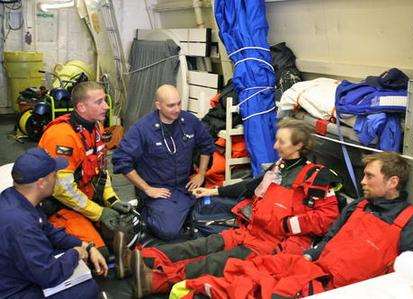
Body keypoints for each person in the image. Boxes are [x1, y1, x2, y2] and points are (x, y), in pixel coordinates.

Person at [115, 118, 342, 297]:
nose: (274, 146)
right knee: (200, 245)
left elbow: (327, 218)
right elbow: (249, 185)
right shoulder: (278, 167)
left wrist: (284, 224)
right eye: (276, 139)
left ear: (299, 146)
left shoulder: (316, 177)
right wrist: (212, 191)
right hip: (250, 231)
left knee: (213, 263)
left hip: (273, 245)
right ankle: (140, 259)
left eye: (281, 142)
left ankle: (153, 281)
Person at [172, 152, 413, 298]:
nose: (364, 182)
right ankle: (169, 279)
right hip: (309, 265)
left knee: (255, 287)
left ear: (393, 182)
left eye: (369, 177)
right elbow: (328, 240)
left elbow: (406, 282)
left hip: (337, 287)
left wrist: (290, 230)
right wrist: (308, 255)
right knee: (246, 271)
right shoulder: (356, 207)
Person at [0, 148, 108, 299]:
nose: (57, 178)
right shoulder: (20, 223)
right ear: (42, 183)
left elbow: (50, 232)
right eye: (54, 174)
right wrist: (76, 253)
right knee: (87, 290)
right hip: (13, 290)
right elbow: (48, 275)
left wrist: (87, 246)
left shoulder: (17, 198)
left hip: (19, 270)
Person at [112, 84, 216, 241]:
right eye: (171, 105)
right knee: (169, 232)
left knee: (214, 211)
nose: (177, 109)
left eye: (179, 103)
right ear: (158, 105)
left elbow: (206, 145)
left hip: (185, 186)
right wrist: (147, 189)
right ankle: (144, 213)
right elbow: (121, 160)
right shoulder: (142, 129)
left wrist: (201, 174)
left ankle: (183, 216)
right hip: (158, 190)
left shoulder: (189, 121)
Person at [38, 81, 130, 254]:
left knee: (125, 235)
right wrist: (99, 212)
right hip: (60, 206)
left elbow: (101, 171)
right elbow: (62, 190)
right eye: (99, 102)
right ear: (81, 107)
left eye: (105, 100)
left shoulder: (96, 127)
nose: (106, 106)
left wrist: (112, 200)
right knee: (98, 252)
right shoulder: (62, 136)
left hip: (85, 199)